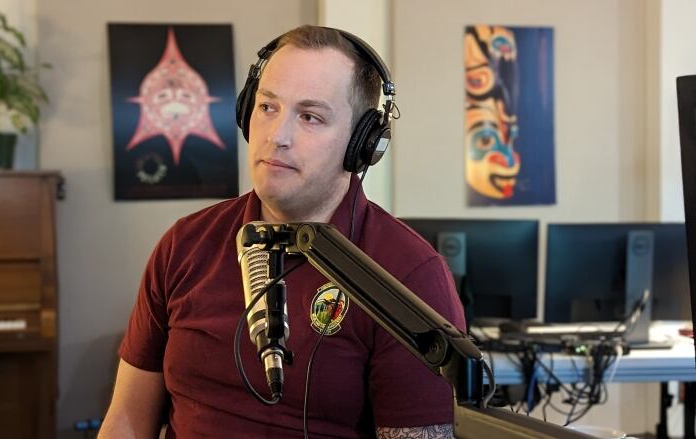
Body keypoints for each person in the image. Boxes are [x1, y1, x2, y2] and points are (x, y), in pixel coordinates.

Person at [98, 25, 466, 439]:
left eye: (310, 117)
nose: (277, 137)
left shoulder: (410, 276)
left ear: (362, 143)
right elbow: (126, 420)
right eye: (267, 107)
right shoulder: (184, 244)